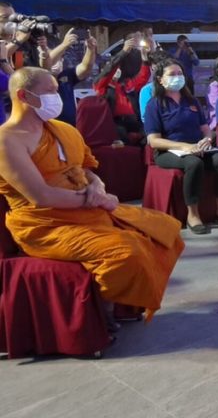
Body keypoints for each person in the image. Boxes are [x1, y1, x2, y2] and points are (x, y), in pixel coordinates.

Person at [0, 67, 183, 321]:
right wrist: (95, 199)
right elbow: (41, 196)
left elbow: (85, 168)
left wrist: (97, 186)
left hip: (87, 208)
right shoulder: (7, 141)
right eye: (50, 91)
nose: (57, 97)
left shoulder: (62, 129)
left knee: (163, 229)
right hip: (45, 224)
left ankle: (125, 302)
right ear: (24, 95)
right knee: (126, 251)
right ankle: (102, 313)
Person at [144, 60, 218, 235]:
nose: (177, 77)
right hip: (168, 151)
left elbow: (206, 129)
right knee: (193, 163)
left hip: (197, 147)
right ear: (160, 79)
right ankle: (193, 215)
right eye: (172, 74)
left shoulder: (191, 101)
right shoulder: (155, 104)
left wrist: (207, 140)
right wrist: (185, 147)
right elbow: (153, 141)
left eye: (180, 74)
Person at [94, 35, 151, 143]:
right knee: (121, 133)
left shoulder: (127, 84)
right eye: (116, 69)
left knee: (149, 133)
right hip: (116, 123)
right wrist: (123, 52)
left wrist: (144, 59)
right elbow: (109, 69)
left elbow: (143, 77)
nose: (117, 71)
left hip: (134, 122)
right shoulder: (103, 86)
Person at [46, 28, 97, 127]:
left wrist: (90, 49)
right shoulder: (38, 77)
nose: (56, 63)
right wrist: (64, 45)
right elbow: (46, 64)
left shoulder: (66, 75)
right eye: (54, 59)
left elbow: (86, 67)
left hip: (69, 127)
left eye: (60, 58)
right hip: (48, 128)